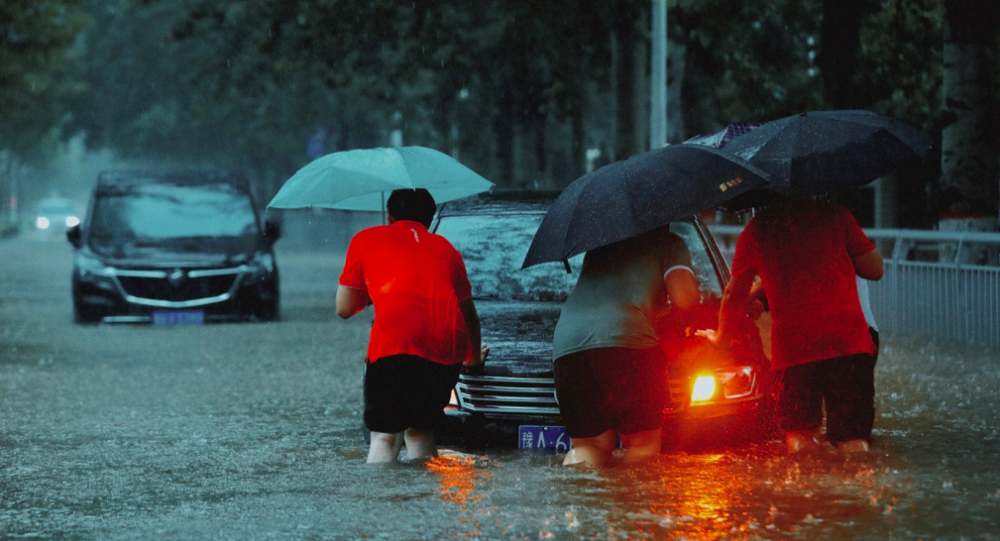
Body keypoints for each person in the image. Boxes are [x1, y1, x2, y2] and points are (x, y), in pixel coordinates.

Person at [700, 195, 883, 454]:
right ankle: (853, 479)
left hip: (794, 349)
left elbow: (733, 295)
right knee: (852, 438)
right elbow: (875, 270)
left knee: (800, 436)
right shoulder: (836, 216)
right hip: (847, 342)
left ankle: (803, 479)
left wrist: (722, 339)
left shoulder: (757, 230)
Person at [336, 188, 486, 464]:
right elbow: (469, 317)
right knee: (420, 432)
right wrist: (473, 359)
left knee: (385, 437)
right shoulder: (446, 249)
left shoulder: (366, 239)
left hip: (395, 342)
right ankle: (422, 489)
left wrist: (374, 290)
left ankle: (383, 493)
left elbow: (344, 308)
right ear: (429, 219)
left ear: (389, 215)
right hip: (446, 348)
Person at [551, 226, 700, 468]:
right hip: (629, 339)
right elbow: (685, 300)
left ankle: (578, 491)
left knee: (590, 446)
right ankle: (629, 495)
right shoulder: (669, 243)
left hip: (569, 345)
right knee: (642, 445)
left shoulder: (599, 244)